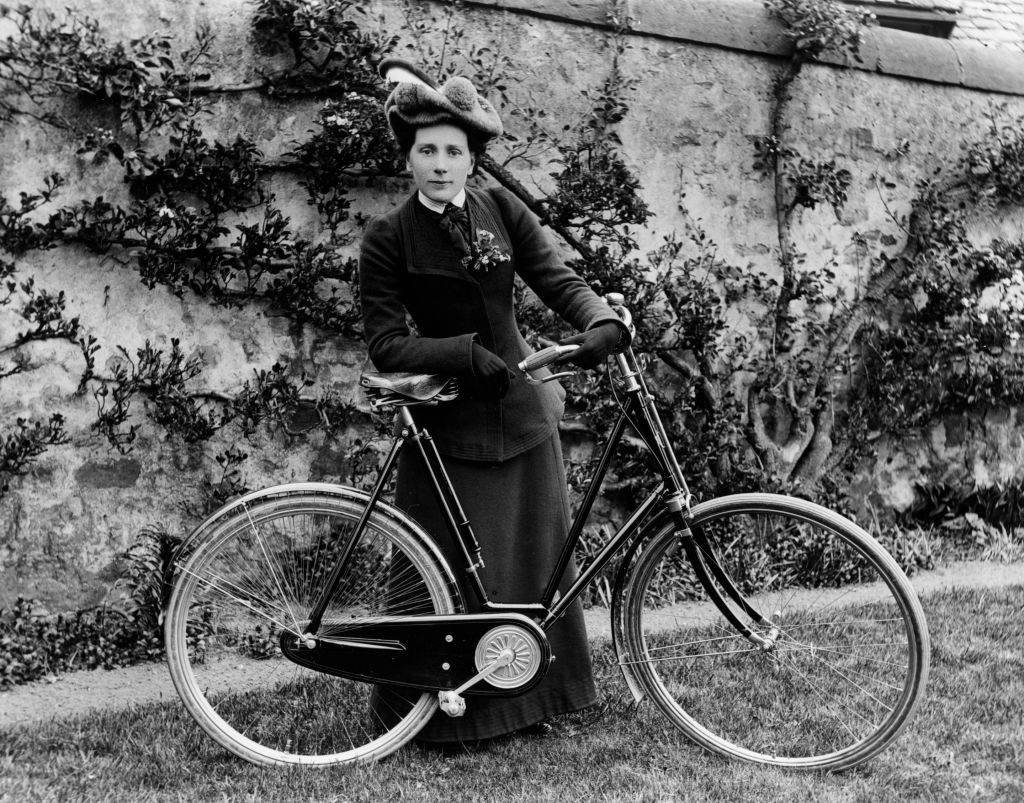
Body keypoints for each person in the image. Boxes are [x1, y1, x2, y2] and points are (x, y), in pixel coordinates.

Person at [358, 60, 630, 745]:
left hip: (521, 405)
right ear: (409, 158)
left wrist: (600, 321)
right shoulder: (387, 237)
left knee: (535, 558)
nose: (441, 164)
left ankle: (534, 700)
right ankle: (443, 718)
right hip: (447, 419)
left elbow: (554, 276)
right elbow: (388, 344)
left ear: (473, 158)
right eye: (428, 151)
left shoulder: (502, 210)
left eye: (454, 151)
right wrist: (457, 351)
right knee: (443, 566)